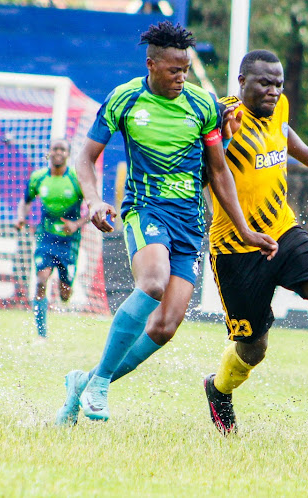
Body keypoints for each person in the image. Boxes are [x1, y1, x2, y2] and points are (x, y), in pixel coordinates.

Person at [54, 22, 277, 425]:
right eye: (174, 70)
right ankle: (101, 382)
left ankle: (83, 384)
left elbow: (219, 172)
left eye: (186, 70)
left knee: (166, 325)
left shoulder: (204, 106)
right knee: (153, 283)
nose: (181, 78)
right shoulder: (124, 99)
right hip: (145, 209)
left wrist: (244, 229)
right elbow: (84, 157)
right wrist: (93, 200)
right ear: (151, 64)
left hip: (190, 224)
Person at [202, 49, 308, 435]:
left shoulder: (280, 107)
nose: (273, 91)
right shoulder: (222, 116)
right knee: (254, 350)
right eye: (264, 83)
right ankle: (218, 389)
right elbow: (204, 168)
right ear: (241, 82)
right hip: (236, 249)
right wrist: (223, 135)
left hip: (283, 231)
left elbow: (284, 133)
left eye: (278, 84)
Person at [14, 138, 87, 339]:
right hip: (45, 237)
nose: (58, 152)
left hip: (69, 240)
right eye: (54, 149)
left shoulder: (76, 177)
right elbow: (26, 201)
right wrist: (21, 217)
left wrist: (76, 224)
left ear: (68, 154)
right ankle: (41, 334)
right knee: (41, 280)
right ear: (48, 153)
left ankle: (66, 288)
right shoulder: (38, 178)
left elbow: (92, 208)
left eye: (62, 149)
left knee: (65, 293)